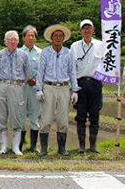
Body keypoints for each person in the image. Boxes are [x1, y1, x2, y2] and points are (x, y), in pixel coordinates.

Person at [35, 24, 79, 156]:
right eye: (56, 36)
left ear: (64, 38)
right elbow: (40, 71)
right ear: (51, 38)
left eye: (60, 36)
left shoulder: (68, 53)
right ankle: (44, 149)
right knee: (46, 118)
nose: (58, 38)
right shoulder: (46, 52)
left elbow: (72, 71)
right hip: (49, 87)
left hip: (64, 88)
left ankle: (62, 148)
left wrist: (75, 90)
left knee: (63, 119)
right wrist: (39, 88)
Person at [0, 30, 32, 155]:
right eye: (10, 39)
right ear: (5, 41)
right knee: (1, 115)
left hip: (17, 86)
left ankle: (16, 147)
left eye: (15, 39)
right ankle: (3, 146)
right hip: (2, 85)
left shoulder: (23, 55)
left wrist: (18, 83)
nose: (13, 42)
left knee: (16, 115)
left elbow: (27, 73)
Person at [70, 19, 104, 153]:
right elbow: (72, 68)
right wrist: (74, 88)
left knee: (95, 113)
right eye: (84, 28)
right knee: (81, 115)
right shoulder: (75, 46)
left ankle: (93, 145)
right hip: (81, 83)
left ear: (93, 29)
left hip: (96, 82)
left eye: (89, 28)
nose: (87, 30)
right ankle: (82, 146)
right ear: (80, 31)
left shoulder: (101, 45)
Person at [19, 25, 42, 153]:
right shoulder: (18, 52)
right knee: (21, 115)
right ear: (23, 38)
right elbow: (16, 69)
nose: (31, 38)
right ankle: (20, 144)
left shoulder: (40, 53)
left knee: (34, 115)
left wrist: (36, 79)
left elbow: (43, 69)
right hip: (22, 87)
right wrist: (27, 78)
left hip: (35, 87)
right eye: (29, 35)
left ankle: (33, 146)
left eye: (33, 36)